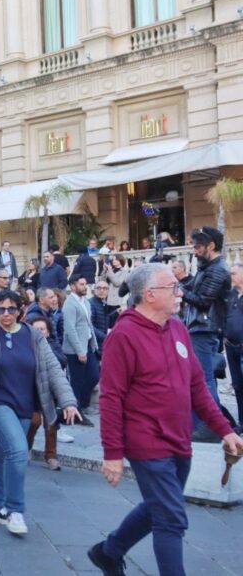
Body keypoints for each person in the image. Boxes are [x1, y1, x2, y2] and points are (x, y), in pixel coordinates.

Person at [89, 263, 243, 576]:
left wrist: (225, 431)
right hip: (145, 440)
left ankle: (110, 552)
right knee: (171, 517)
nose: (180, 292)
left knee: (159, 505)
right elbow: (111, 397)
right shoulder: (123, 336)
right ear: (149, 295)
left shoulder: (177, 329)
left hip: (179, 437)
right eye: (172, 287)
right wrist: (112, 453)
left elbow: (197, 386)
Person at [0, 290, 79, 536]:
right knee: (19, 452)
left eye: (11, 309)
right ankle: (15, 510)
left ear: (20, 310)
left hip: (25, 406)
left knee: (4, 455)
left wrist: (69, 401)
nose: (6, 314)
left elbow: (53, 370)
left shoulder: (33, 336)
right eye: (1, 309)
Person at [179, 227, 232, 442]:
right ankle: (214, 423)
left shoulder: (217, 269)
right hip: (201, 328)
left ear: (211, 246)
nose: (194, 251)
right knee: (203, 378)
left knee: (203, 379)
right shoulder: (208, 266)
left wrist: (181, 292)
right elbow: (195, 289)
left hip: (204, 328)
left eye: (198, 246)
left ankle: (211, 425)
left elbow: (202, 301)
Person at [25, 313, 67, 471]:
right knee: (34, 421)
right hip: (31, 390)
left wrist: (46, 349)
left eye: (42, 329)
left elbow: (62, 361)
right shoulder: (26, 345)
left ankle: (51, 456)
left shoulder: (53, 345)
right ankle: (26, 448)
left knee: (51, 424)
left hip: (49, 391)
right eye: (36, 329)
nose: (40, 332)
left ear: (48, 331)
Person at [63, 274, 100, 423]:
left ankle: (83, 404)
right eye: (82, 284)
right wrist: (79, 351)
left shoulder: (85, 302)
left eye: (85, 284)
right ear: (73, 286)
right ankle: (75, 411)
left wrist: (93, 344)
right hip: (75, 350)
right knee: (76, 381)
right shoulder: (69, 304)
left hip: (88, 346)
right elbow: (70, 329)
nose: (85, 287)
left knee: (93, 376)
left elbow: (88, 325)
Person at [225, 263, 243, 427]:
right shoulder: (230, 295)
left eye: (234, 273)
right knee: (237, 385)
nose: (231, 276)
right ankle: (241, 423)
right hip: (231, 345)